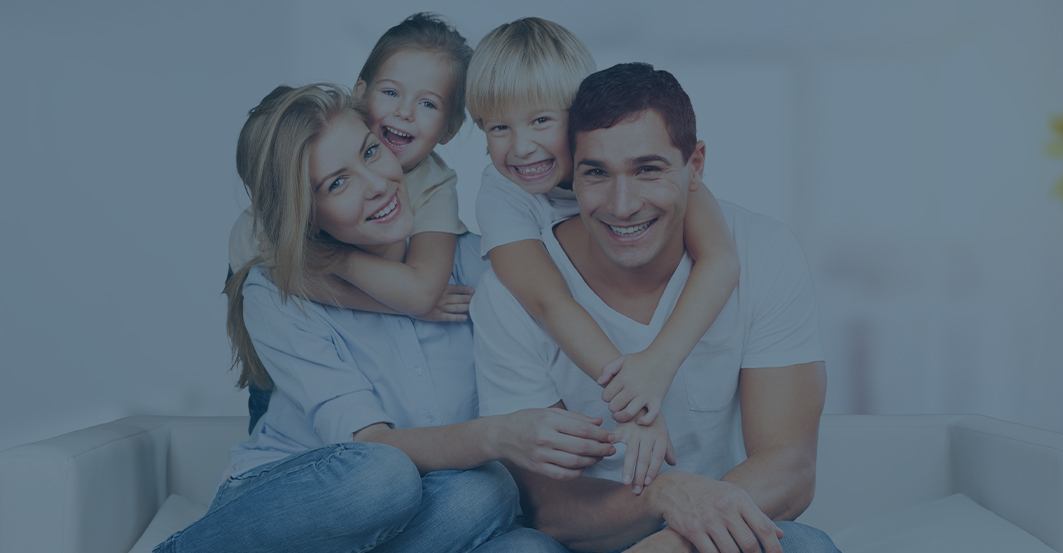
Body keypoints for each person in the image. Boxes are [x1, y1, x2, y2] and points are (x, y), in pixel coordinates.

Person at [159, 84, 613, 553]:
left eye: (371, 152)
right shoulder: (277, 294)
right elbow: (372, 444)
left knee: (509, 522)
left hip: (420, 515)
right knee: (383, 475)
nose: (376, 184)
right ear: (307, 215)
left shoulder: (480, 263)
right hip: (290, 505)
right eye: (337, 183)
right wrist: (498, 435)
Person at [472, 63, 840, 553]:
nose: (622, 205)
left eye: (648, 170)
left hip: (706, 533)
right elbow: (549, 508)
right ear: (569, 173)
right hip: (588, 537)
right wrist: (665, 495)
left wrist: (675, 541)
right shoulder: (510, 292)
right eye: (597, 173)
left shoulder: (762, 251)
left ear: (696, 165)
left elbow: (790, 466)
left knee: (804, 546)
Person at [465, 17, 740, 492]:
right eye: (498, 127)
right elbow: (549, 300)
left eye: (541, 120)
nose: (521, 146)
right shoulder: (501, 194)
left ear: (579, 116)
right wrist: (634, 401)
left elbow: (721, 260)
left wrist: (658, 364)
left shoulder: (647, 161)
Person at [231, 13, 476, 431]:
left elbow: (420, 293)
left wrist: (334, 264)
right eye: (391, 92)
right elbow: (261, 271)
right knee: (280, 410)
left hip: (378, 363)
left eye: (428, 103)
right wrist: (343, 266)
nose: (404, 112)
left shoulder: (434, 184)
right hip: (295, 346)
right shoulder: (295, 180)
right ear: (360, 94)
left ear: (450, 129)